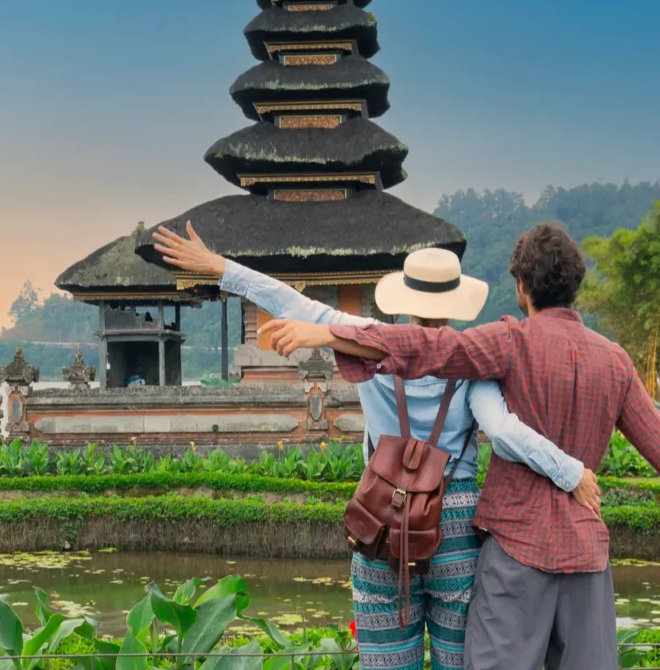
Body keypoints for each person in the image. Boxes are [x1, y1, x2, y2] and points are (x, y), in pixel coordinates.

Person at [258, 221, 660, 670]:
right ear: (575, 286)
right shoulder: (614, 361)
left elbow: (432, 348)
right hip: (586, 557)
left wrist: (330, 333)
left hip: (515, 553)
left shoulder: (511, 341)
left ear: (521, 288)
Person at [153, 223, 597, 670]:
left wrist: (218, 267)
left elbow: (293, 302)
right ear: (455, 302)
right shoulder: (473, 358)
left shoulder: (366, 340)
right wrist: (571, 472)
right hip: (456, 526)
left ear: (404, 300)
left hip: (383, 519)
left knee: (387, 661)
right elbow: (502, 430)